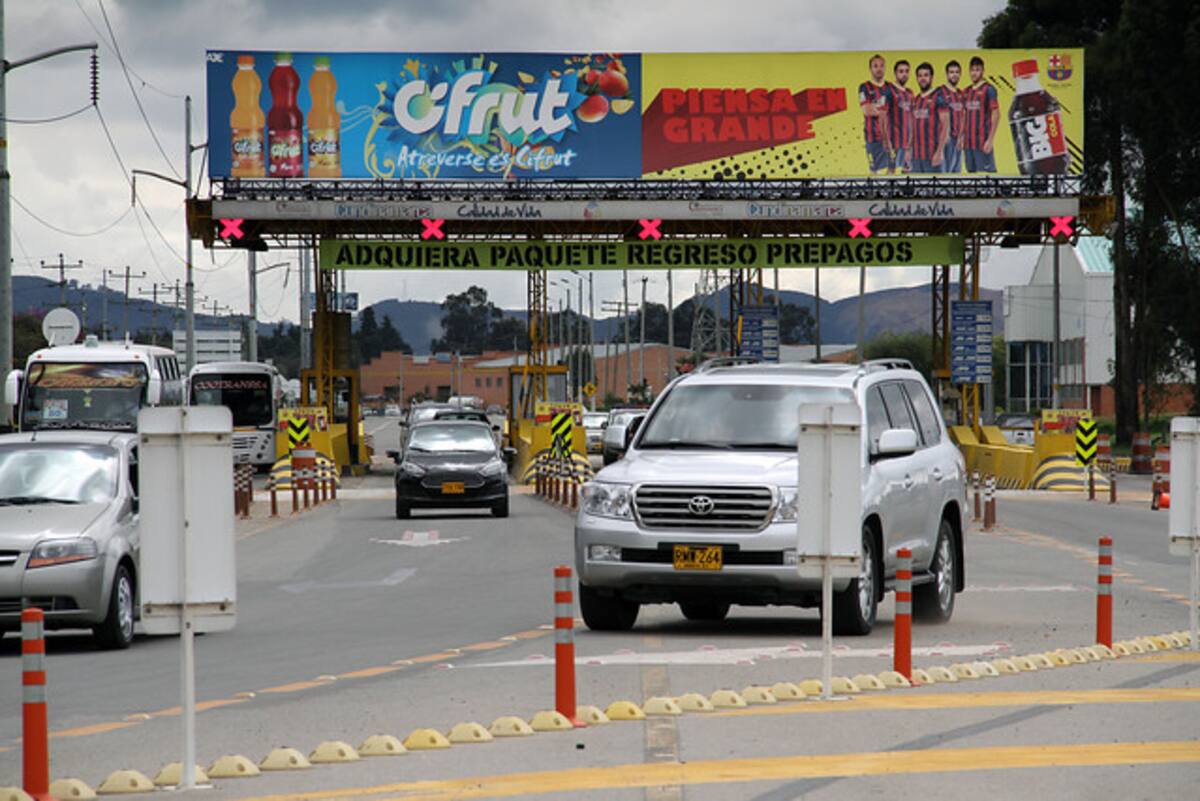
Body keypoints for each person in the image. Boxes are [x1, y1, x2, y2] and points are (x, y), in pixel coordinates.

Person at [909, 63, 949, 174]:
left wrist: (939, 152)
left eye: (926, 75)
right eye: (920, 75)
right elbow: (913, 126)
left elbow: (946, 126)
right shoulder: (916, 100)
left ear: (931, 77)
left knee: (935, 185)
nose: (923, 78)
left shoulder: (939, 97)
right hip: (916, 157)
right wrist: (908, 149)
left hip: (933, 156)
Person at [963, 56, 999, 173]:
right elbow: (964, 115)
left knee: (987, 177)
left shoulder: (989, 89)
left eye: (977, 70)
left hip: (982, 142)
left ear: (983, 71)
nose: (974, 73)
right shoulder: (967, 91)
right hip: (968, 144)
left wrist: (990, 140)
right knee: (971, 176)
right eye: (972, 70)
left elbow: (996, 114)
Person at [858, 54, 891, 175]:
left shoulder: (890, 87)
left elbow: (896, 111)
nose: (879, 69)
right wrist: (885, 110)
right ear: (870, 69)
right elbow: (867, 110)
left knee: (892, 170)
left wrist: (876, 106)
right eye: (875, 66)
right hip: (872, 138)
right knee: (874, 172)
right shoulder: (864, 87)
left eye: (881, 66)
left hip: (890, 138)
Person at [886, 59, 914, 175]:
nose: (904, 74)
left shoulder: (910, 93)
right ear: (895, 73)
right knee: (891, 171)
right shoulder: (889, 90)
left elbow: (912, 118)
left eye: (906, 71)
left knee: (907, 170)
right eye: (901, 71)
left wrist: (911, 141)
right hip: (894, 141)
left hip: (907, 142)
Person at [938, 60, 965, 173]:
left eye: (957, 72)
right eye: (951, 72)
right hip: (947, 140)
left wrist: (961, 136)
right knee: (946, 172)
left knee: (956, 172)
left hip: (958, 139)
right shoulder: (940, 92)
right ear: (947, 74)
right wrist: (945, 134)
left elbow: (964, 116)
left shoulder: (961, 94)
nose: (954, 75)